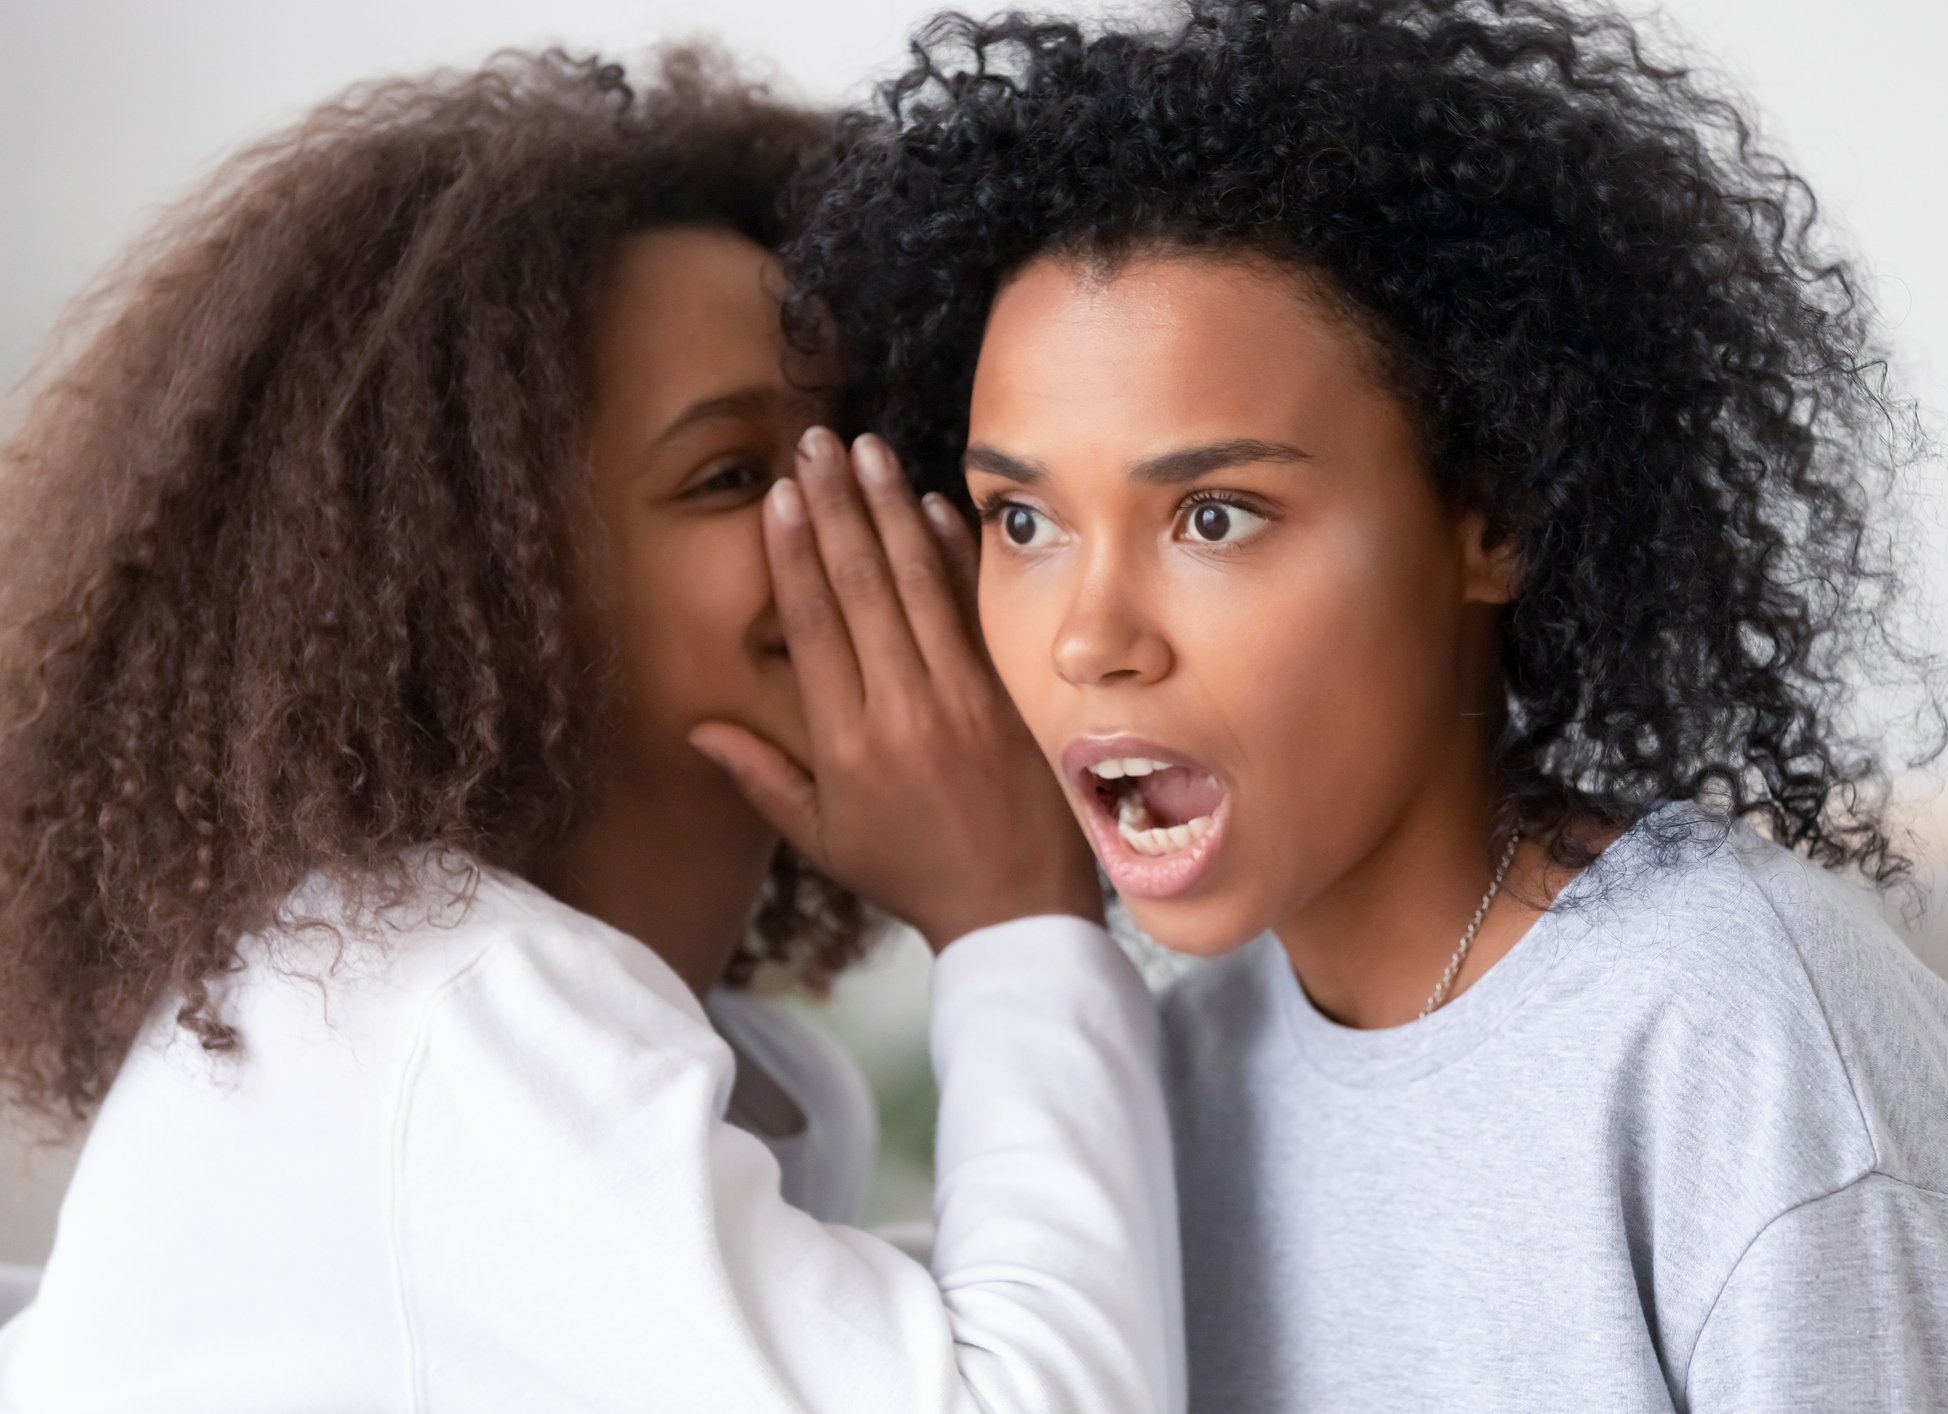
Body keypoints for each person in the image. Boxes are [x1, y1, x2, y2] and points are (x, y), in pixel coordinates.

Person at [787, 0, 1948, 1408]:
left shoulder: (1743, 1050)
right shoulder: (1176, 1084)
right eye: (1022, 521)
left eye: (1216, 515)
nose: (1086, 640)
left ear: (1492, 521)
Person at [0, 47, 1180, 1412]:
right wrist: (1008, 914)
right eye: (732, 473)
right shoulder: (444, 1002)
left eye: (869, 440)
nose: (857, 510)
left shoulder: (726, 1066)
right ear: (485, 582)